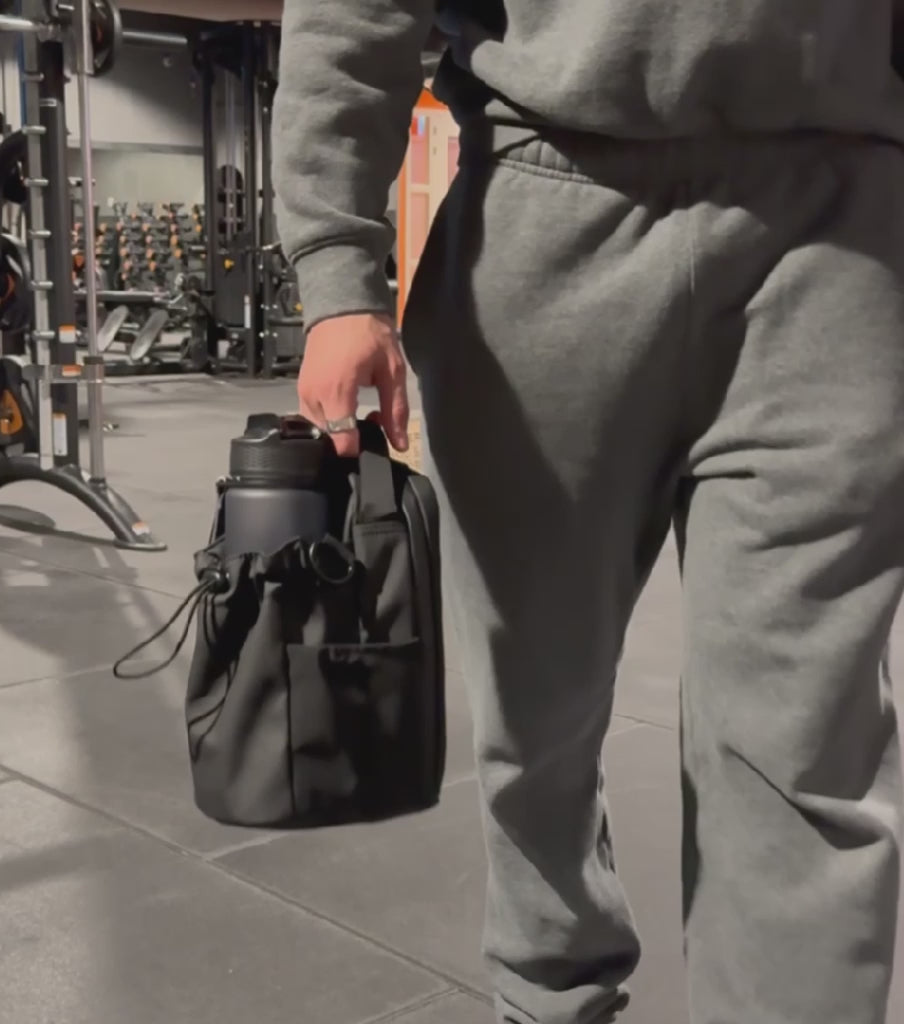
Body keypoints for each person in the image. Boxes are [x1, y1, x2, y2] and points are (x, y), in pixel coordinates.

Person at [272, 3, 904, 1022]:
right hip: (543, 201)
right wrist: (337, 270)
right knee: (535, 722)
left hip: (841, 230)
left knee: (808, 744)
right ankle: (551, 1002)